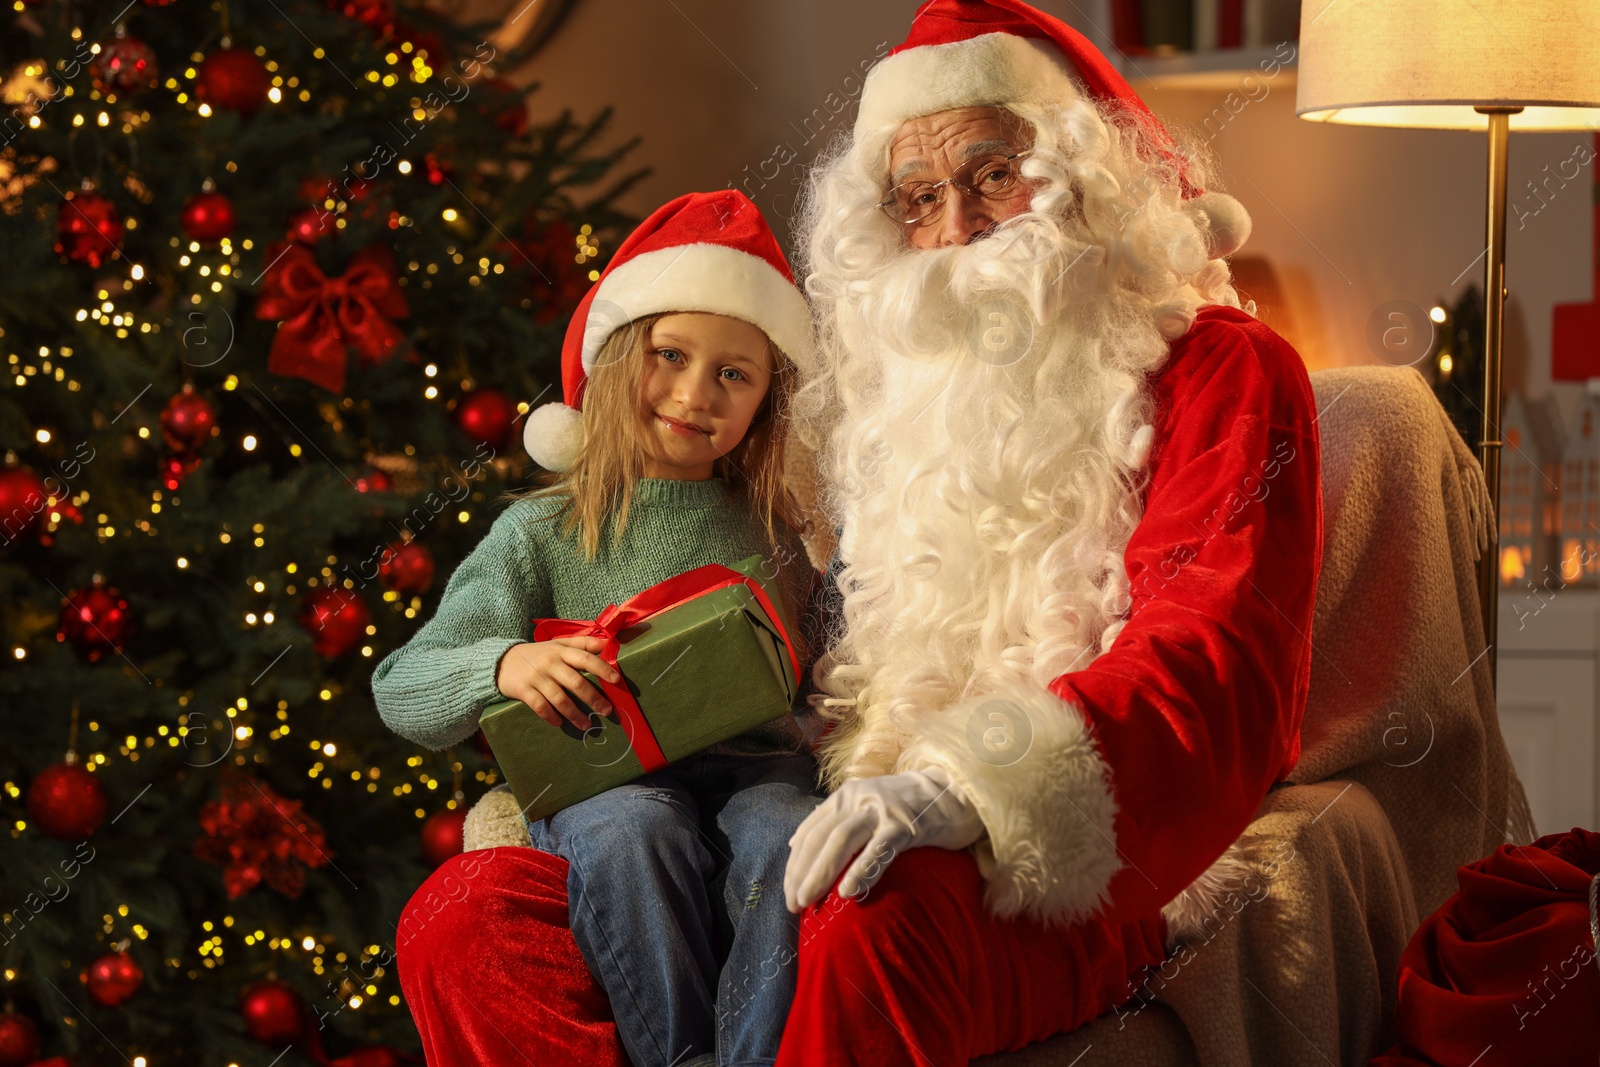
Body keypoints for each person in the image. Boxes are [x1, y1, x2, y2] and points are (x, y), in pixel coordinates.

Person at [767, 0, 1323, 1063]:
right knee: (480, 910)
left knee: (873, 915)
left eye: (990, 174)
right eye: (917, 199)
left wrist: (967, 782)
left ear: (1085, 178)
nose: (959, 227)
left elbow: (1215, 661)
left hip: (1087, 860)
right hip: (857, 797)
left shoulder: (1228, 370)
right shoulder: (904, 410)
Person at [373, 190, 826, 1067]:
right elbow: (402, 686)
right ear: (620, 358)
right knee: (632, 830)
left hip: (756, 769)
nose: (695, 395)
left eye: (734, 374)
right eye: (670, 355)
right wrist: (505, 664)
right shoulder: (543, 530)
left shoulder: (778, 531)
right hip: (603, 779)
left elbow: (825, 669)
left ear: (767, 400)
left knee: (783, 835)